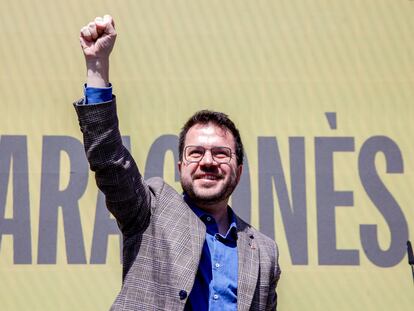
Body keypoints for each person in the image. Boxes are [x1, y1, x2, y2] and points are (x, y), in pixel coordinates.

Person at [74, 15, 281, 311]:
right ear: (180, 166)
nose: (207, 161)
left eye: (221, 154)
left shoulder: (264, 252)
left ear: (239, 170)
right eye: (195, 153)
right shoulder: (152, 211)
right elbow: (110, 159)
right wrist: (97, 66)